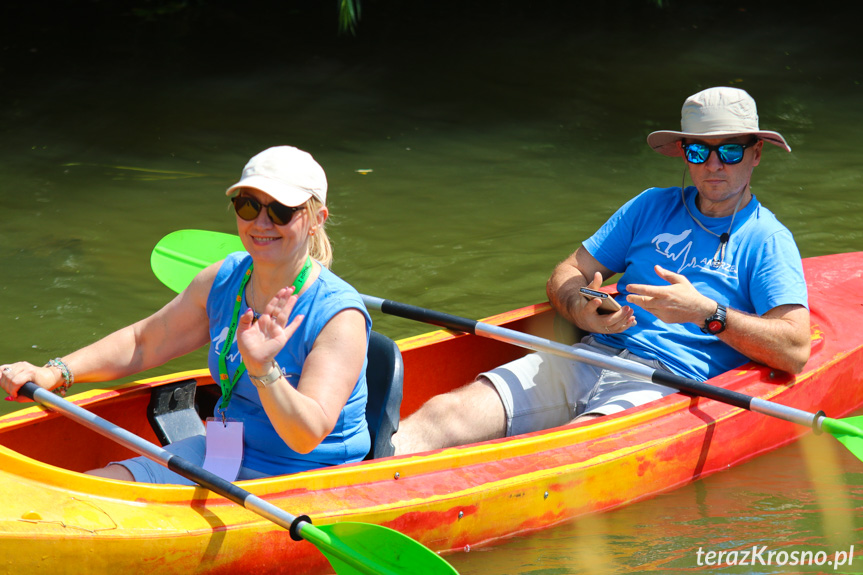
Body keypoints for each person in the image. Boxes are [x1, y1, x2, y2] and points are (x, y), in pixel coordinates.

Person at [392, 87, 811, 454]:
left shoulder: (768, 240)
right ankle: (344, 491)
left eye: (730, 150)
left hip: (667, 383)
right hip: (589, 354)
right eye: (700, 150)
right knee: (443, 412)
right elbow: (569, 270)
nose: (714, 164)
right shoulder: (650, 205)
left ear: (755, 154)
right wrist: (578, 306)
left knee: (565, 450)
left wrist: (706, 313)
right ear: (685, 153)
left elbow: (794, 349)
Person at [1, 146, 372, 483]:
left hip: (305, 476)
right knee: (93, 488)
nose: (261, 223)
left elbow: (306, 436)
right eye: (248, 205)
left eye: (280, 211)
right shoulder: (224, 279)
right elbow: (143, 342)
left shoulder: (340, 316)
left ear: (316, 218)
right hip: (223, 453)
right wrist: (55, 372)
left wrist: (263, 370)